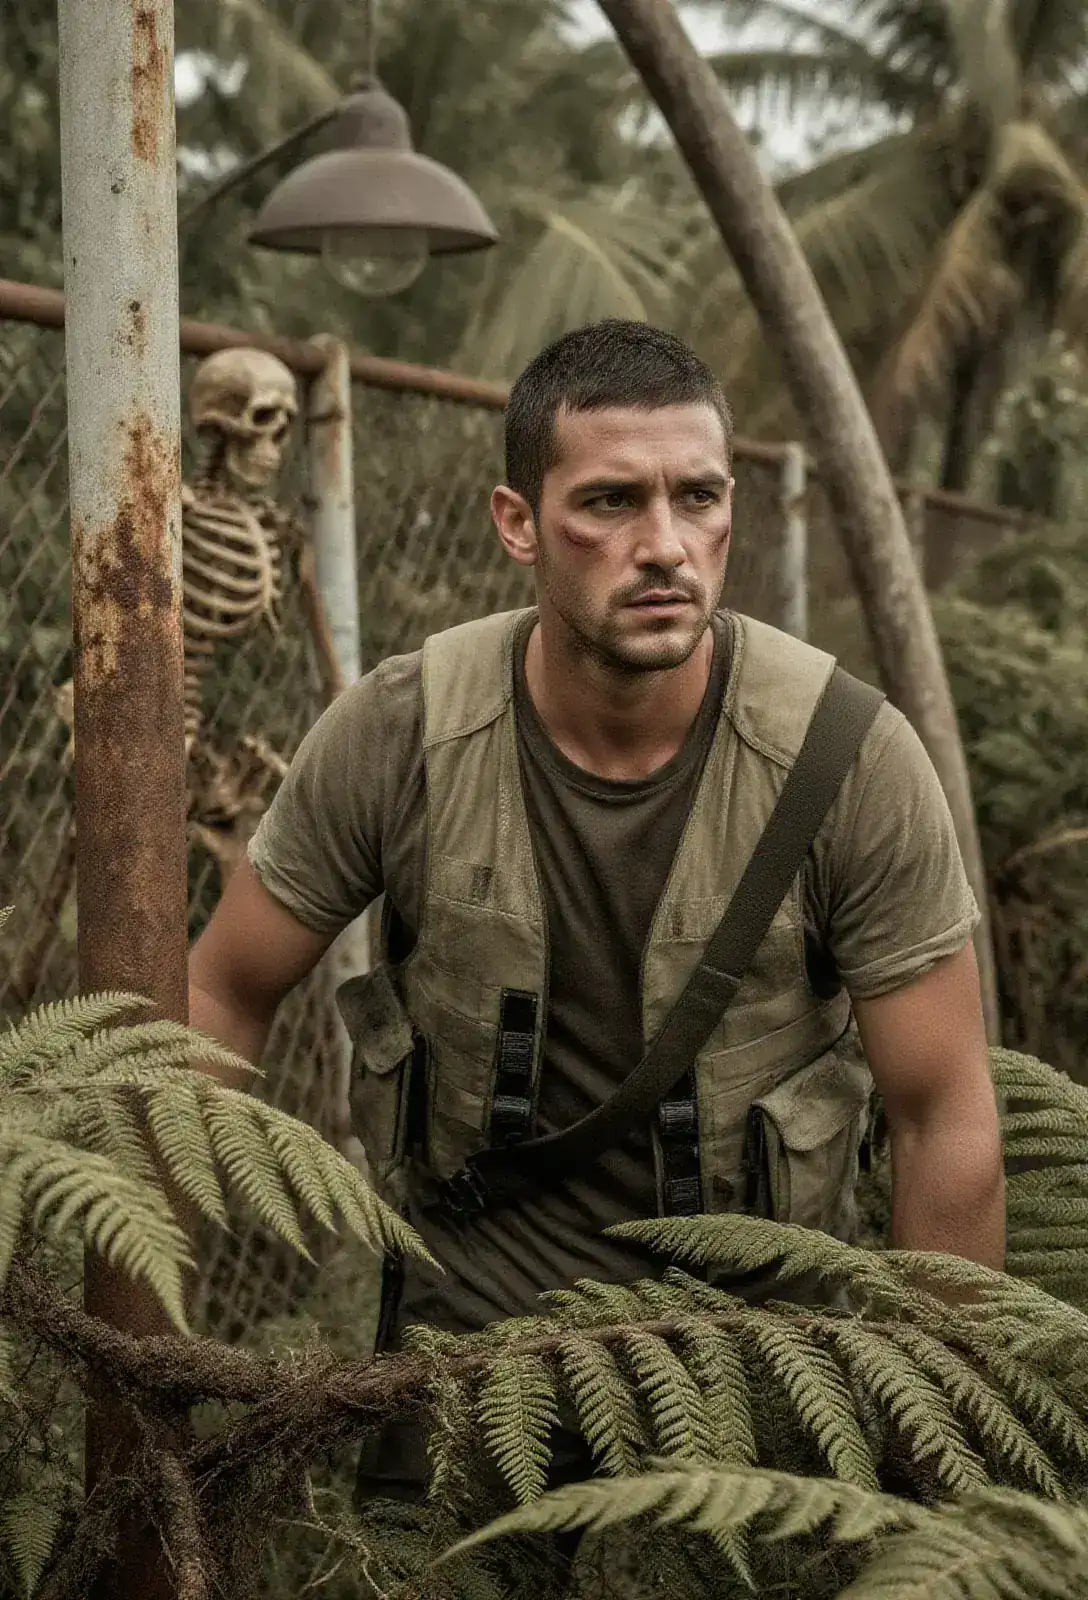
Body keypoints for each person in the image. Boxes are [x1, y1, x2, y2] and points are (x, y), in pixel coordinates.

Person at [188, 319, 1005, 1508]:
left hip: (756, 1349)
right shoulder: (401, 733)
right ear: (517, 522)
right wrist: (137, 1314)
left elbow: (944, 1118)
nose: (664, 545)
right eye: (610, 502)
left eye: (698, 496)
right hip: (470, 1337)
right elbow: (220, 989)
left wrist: (934, 1474)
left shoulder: (847, 759)